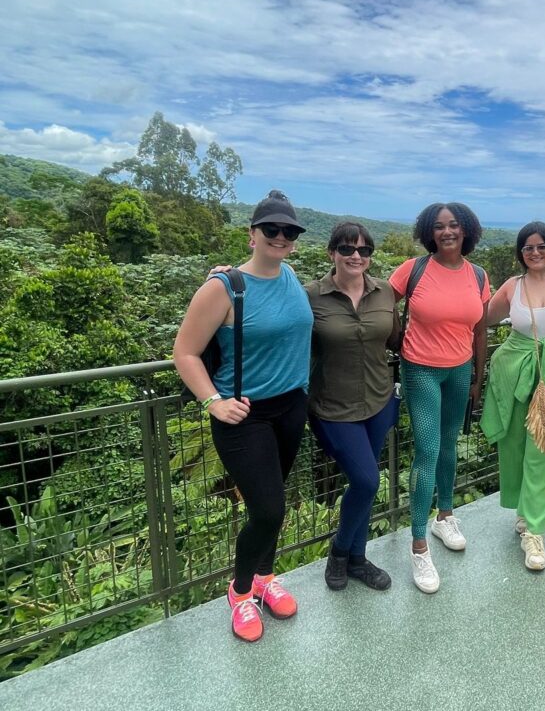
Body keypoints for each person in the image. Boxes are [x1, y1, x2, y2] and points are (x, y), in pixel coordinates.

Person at [173, 190, 313, 642]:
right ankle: (239, 592)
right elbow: (185, 352)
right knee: (268, 510)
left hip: (290, 407)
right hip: (243, 414)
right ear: (252, 234)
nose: (280, 237)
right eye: (270, 229)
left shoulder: (290, 275)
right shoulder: (223, 287)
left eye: (288, 231)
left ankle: (265, 578)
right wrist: (212, 401)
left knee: (272, 504)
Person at [389, 202, 490, 593]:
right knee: (427, 451)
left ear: (466, 230)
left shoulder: (478, 275)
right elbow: (381, 302)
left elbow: (479, 332)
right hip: (421, 369)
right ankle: (418, 546)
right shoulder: (413, 270)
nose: (447, 232)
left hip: (460, 370)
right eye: (439, 226)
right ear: (428, 232)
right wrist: (395, 337)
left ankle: (444, 515)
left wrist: (478, 378)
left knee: (450, 445)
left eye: (454, 225)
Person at [479, 222, 545, 571]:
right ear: (520, 252)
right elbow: (480, 319)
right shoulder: (513, 287)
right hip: (513, 368)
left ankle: (535, 531)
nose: (535, 252)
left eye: (542, 247)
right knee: (513, 445)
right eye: (528, 248)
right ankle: (523, 512)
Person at [306, 222, 399, 593]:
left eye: (364, 250)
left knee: (363, 485)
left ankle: (357, 559)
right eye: (347, 249)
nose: (356, 256)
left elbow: (397, 338)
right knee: (366, 480)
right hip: (332, 407)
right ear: (332, 253)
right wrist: (227, 278)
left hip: (378, 401)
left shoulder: (385, 292)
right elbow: (272, 311)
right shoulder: (310, 296)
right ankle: (340, 551)